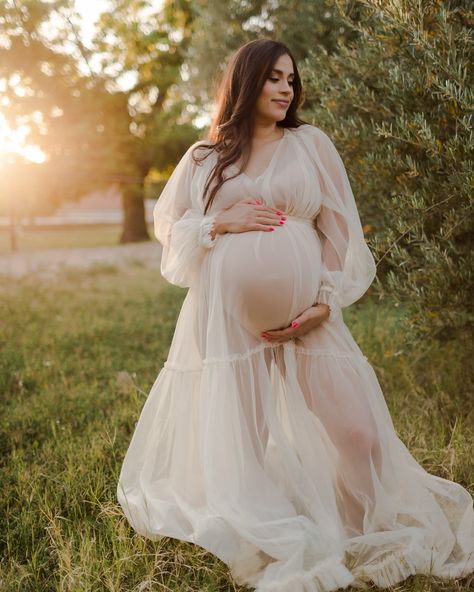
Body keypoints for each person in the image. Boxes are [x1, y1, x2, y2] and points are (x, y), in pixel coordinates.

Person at [117, 39, 474, 592]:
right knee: (244, 444)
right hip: (230, 326)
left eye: (291, 79)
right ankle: (264, 531)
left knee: (358, 434)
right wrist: (221, 222)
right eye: (274, 78)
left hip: (310, 317)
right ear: (246, 82)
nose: (287, 88)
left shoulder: (310, 144)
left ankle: (360, 531)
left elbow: (340, 232)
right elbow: (174, 238)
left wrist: (325, 300)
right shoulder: (204, 159)